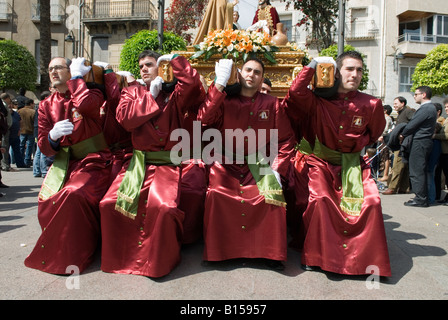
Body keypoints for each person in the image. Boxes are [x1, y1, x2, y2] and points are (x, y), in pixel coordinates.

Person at [98, 50, 207, 278]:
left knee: (164, 208)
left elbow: (193, 84)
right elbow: (126, 120)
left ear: (160, 67)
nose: (144, 69)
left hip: (168, 165)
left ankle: (160, 260)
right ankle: (122, 258)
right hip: (139, 163)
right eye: (141, 66)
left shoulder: (175, 94)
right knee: (109, 203)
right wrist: (149, 96)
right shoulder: (132, 92)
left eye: (149, 64)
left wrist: (176, 60)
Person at [283, 51, 391, 276]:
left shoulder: (371, 103)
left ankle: (362, 259)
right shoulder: (317, 100)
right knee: (320, 200)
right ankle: (316, 256)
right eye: (349, 69)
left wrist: (355, 146)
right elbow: (295, 92)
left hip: (353, 165)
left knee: (371, 202)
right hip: (320, 163)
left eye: (359, 70)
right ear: (337, 72)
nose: (355, 74)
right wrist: (313, 65)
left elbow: (375, 132)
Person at [198, 58, 295, 270]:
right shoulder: (224, 100)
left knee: (272, 196)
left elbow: (286, 140)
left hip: (258, 162)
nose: (251, 75)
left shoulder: (272, 104)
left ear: (262, 79)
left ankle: (270, 253)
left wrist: (278, 168)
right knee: (216, 194)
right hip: (224, 163)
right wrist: (219, 84)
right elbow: (204, 119)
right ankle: (218, 252)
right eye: (248, 70)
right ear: (239, 74)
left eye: (257, 72)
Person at [24, 56, 113, 275]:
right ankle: (59, 248)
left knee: (74, 193)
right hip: (65, 163)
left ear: (70, 70)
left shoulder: (91, 93)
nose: (53, 72)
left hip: (95, 161)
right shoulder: (45, 105)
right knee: (48, 197)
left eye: (59, 68)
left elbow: (86, 105)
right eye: (50, 68)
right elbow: (44, 145)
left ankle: (74, 255)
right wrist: (52, 137)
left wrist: (76, 77)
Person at [401, 86, 437, 207]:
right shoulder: (429, 108)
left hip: (420, 141)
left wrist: (402, 133)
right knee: (419, 170)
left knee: (416, 170)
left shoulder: (426, 108)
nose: (414, 96)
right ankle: (421, 197)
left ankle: (420, 199)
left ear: (424, 94)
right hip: (423, 141)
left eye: (416, 94)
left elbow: (412, 124)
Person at [382, 96, 415, 195]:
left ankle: (392, 188)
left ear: (402, 103)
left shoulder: (408, 112)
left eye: (396, 103)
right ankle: (404, 188)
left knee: (397, 166)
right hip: (400, 143)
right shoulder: (400, 114)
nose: (394, 105)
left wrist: (404, 133)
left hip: (404, 143)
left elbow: (413, 123)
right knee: (404, 166)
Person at [33, 91, 52, 178]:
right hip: (41, 130)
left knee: (38, 151)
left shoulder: (39, 106)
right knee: (43, 151)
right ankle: (44, 171)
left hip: (37, 129)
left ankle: (36, 171)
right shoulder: (44, 105)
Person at [434, 98, 448, 204]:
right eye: (446, 107)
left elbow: (447, 135)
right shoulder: (446, 120)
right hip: (443, 152)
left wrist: (435, 136)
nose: (446, 109)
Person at [8, 99, 26, 168]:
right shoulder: (6, 113)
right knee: (7, 152)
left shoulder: (16, 114)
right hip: (8, 135)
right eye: (8, 104)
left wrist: (20, 130)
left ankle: (20, 164)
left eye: (10, 104)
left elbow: (20, 121)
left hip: (15, 135)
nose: (9, 106)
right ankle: (8, 164)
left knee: (17, 150)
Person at [18, 98, 36, 167]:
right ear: (31, 104)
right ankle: (27, 160)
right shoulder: (33, 112)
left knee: (21, 146)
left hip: (22, 130)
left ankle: (20, 159)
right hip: (30, 131)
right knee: (29, 146)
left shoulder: (19, 111)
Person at [378, 104, 393, 182]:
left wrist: (381, 135)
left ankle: (386, 174)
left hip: (385, 139)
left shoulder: (387, 118)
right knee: (383, 156)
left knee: (386, 156)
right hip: (383, 139)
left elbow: (385, 129)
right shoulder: (385, 118)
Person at [0, 93, 14, 172]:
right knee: (4, 147)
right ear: (7, 98)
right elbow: (5, 115)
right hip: (4, 129)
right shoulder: (3, 104)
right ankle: (4, 165)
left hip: (4, 128)